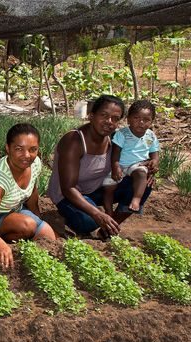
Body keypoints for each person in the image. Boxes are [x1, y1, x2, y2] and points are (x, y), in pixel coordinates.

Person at [47, 94, 152, 238]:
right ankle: (75, 217)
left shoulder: (115, 138)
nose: (109, 122)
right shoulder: (74, 141)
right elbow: (68, 188)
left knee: (145, 183)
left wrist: (147, 169)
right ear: (91, 115)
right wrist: (97, 214)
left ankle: (108, 227)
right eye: (104, 115)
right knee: (89, 221)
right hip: (68, 195)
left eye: (115, 119)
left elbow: (135, 159)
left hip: (97, 190)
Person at [0, 123, 56, 268]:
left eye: (33, 149)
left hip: (12, 210)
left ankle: (19, 238)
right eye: (19, 149)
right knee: (27, 225)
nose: (27, 155)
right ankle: (0, 242)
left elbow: (32, 192)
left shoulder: (35, 164)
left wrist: (39, 219)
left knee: (49, 237)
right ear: (8, 148)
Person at [102, 100, 159, 214]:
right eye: (136, 118)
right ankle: (109, 212)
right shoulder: (123, 134)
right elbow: (115, 152)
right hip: (120, 164)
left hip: (137, 164)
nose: (141, 122)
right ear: (128, 119)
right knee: (108, 188)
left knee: (142, 175)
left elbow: (154, 152)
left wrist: (154, 161)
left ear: (152, 122)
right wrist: (116, 166)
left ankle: (136, 199)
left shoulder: (151, 136)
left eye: (146, 120)